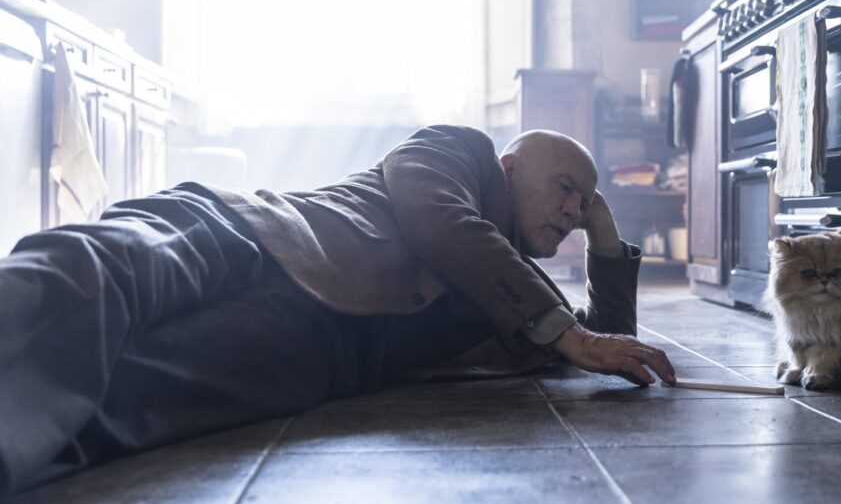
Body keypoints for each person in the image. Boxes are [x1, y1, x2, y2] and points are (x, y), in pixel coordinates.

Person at [0, 124, 675, 497]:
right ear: (510, 166)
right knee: (85, 276)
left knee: (124, 405)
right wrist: (567, 332)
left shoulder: (521, 296)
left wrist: (605, 234)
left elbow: (611, 346)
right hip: (259, 235)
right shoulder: (459, 153)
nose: (572, 209)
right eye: (566, 188)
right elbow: (438, 220)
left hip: (307, 352)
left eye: (583, 203)